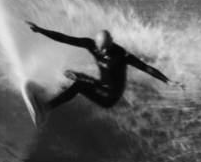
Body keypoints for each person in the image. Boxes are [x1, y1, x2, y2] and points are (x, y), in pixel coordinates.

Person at [26, 22, 180, 110]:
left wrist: (167, 81)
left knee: (79, 85)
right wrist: (40, 30)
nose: (105, 52)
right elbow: (65, 39)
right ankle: (49, 97)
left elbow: (146, 67)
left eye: (107, 48)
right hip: (101, 85)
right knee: (70, 74)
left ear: (111, 42)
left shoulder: (122, 55)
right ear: (97, 45)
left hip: (110, 96)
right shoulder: (91, 45)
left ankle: (47, 108)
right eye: (102, 49)